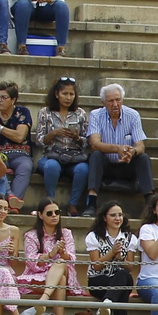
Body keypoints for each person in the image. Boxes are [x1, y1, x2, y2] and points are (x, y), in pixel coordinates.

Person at [86, 84, 155, 207]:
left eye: (118, 100)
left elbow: (140, 146)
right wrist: (117, 148)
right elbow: (94, 144)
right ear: (103, 102)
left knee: (143, 158)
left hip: (127, 164)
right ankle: (91, 202)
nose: (115, 104)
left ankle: (150, 203)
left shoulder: (133, 115)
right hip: (106, 165)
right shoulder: (96, 115)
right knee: (95, 155)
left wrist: (131, 152)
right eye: (110, 101)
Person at [35, 77, 90, 215]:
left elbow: (87, 141)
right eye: (65, 94)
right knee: (52, 166)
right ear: (56, 94)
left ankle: (73, 205)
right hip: (51, 155)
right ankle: (50, 202)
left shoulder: (80, 114)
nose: (68, 97)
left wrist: (76, 138)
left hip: (74, 157)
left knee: (83, 169)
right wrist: (53, 133)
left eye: (71, 94)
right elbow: (39, 140)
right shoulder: (45, 112)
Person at [83, 200, 139, 315]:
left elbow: (130, 267)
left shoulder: (130, 237)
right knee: (121, 289)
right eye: (113, 215)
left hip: (119, 279)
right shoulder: (94, 236)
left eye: (120, 215)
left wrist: (120, 258)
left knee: (123, 275)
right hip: (99, 280)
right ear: (104, 217)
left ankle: (107, 303)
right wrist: (111, 253)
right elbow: (96, 266)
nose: (117, 218)